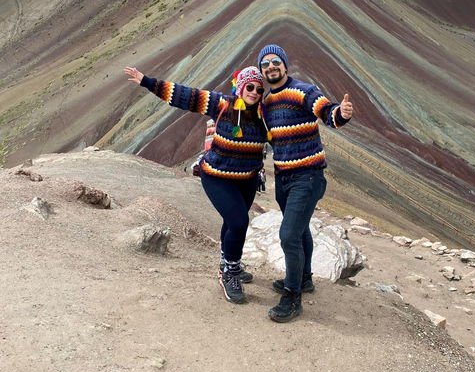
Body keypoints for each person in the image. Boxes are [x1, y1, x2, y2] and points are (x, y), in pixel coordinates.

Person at [124, 65, 267, 304]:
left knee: (232, 223)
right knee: (239, 221)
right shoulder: (221, 104)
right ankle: (228, 272)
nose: (254, 92)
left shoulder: (264, 114)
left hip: (248, 178)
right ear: (240, 86)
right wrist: (147, 81)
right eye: (249, 87)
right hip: (217, 176)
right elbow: (185, 96)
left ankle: (229, 262)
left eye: (259, 89)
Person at [257, 45, 353, 323]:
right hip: (284, 177)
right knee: (298, 231)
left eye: (276, 61)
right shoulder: (266, 102)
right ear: (263, 71)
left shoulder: (304, 91)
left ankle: (292, 295)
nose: (271, 67)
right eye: (266, 64)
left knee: (288, 235)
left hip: (307, 177)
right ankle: (305, 278)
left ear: (285, 66)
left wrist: (341, 113)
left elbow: (326, 112)